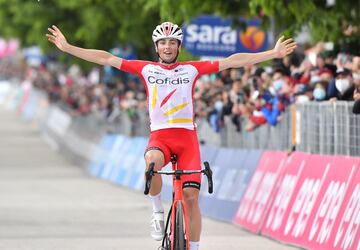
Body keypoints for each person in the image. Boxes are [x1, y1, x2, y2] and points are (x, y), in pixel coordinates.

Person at [46, 21, 296, 250]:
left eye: (172, 43)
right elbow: (106, 58)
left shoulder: (190, 70)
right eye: (163, 43)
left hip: (187, 140)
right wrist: (68, 48)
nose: (167, 47)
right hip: (161, 138)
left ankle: (195, 247)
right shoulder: (146, 69)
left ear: (178, 47)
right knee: (151, 163)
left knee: (191, 198)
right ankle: (157, 212)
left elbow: (232, 61)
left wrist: (272, 54)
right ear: (157, 47)